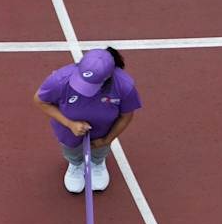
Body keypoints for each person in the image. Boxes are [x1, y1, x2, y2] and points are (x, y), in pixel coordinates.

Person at [33, 46, 141, 194]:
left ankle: (97, 163)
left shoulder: (124, 86)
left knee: (100, 149)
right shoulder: (60, 79)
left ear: (108, 77)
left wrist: (107, 139)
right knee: (70, 149)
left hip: (104, 130)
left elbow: (126, 116)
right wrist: (70, 124)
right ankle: (75, 165)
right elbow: (40, 101)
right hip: (68, 129)